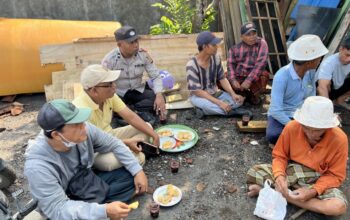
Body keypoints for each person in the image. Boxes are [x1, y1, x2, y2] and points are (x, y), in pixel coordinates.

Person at [24, 99, 148, 219]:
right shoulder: (37, 166)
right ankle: (102, 209)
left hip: (87, 182)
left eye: (82, 122)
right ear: (56, 135)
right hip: (67, 199)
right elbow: (58, 208)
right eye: (76, 125)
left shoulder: (84, 129)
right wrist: (103, 211)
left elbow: (113, 143)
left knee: (129, 177)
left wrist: (137, 171)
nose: (84, 127)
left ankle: (102, 209)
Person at [247, 96, 348, 216]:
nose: (311, 134)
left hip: (319, 178)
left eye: (317, 130)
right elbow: (280, 156)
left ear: (327, 127)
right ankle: (287, 193)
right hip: (293, 172)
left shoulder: (339, 139)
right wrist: (280, 177)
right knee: (254, 171)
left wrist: (312, 191)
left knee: (337, 207)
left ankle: (277, 194)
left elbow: (335, 175)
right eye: (306, 127)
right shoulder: (292, 127)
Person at [73, 64, 160, 171]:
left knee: (147, 127)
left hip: (111, 136)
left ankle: (132, 154)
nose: (114, 86)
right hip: (96, 150)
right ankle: (136, 154)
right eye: (109, 84)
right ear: (94, 90)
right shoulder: (81, 111)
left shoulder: (109, 96)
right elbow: (93, 146)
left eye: (113, 82)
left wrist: (154, 135)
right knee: (110, 162)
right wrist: (127, 142)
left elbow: (131, 117)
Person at [266, 34, 328, 144]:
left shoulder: (310, 72)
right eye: (319, 58)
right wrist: (299, 128)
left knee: (327, 132)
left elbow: (311, 97)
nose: (320, 61)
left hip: (302, 114)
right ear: (310, 61)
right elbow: (276, 110)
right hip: (283, 115)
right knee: (274, 135)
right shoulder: (281, 76)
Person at [101, 25, 166, 123]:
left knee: (160, 98)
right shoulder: (110, 59)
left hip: (137, 90)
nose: (136, 45)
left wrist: (159, 95)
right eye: (131, 42)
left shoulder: (143, 55)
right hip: (118, 93)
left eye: (137, 41)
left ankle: (129, 113)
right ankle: (137, 114)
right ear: (119, 45)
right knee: (109, 103)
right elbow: (103, 84)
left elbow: (156, 76)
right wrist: (114, 100)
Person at [186, 31, 251, 118]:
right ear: (205, 47)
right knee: (208, 105)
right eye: (213, 45)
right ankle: (231, 112)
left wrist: (233, 94)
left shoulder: (216, 59)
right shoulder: (191, 65)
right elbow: (197, 91)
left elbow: (222, 79)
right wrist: (220, 103)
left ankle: (204, 111)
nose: (217, 47)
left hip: (216, 93)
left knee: (237, 101)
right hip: (199, 97)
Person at [227, 22, 269, 105]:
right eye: (248, 35)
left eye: (254, 33)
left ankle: (248, 95)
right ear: (242, 37)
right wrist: (233, 80)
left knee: (264, 75)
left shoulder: (261, 43)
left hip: (254, 78)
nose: (252, 37)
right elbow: (230, 65)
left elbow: (260, 64)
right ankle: (246, 95)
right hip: (240, 77)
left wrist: (249, 80)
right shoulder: (234, 49)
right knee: (223, 78)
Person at [316, 35, 350, 110]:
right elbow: (322, 87)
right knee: (326, 83)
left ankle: (336, 105)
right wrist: (327, 109)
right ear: (341, 49)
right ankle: (327, 106)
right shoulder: (329, 63)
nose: (348, 59)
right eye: (347, 55)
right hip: (321, 90)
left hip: (338, 87)